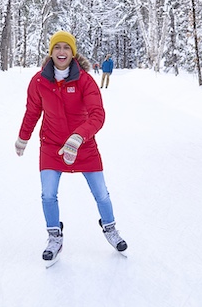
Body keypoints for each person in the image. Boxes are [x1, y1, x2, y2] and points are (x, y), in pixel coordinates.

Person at [15, 31, 128, 264]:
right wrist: (23, 138)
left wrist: (78, 137)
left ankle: (110, 229)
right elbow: (32, 111)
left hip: (83, 146)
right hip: (52, 145)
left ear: (73, 52)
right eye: (57, 47)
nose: (62, 52)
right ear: (51, 52)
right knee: (48, 194)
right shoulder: (39, 81)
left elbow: (98, 114)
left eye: (67, 48)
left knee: (102, 194)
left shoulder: (85, 80)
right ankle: (54, 236)